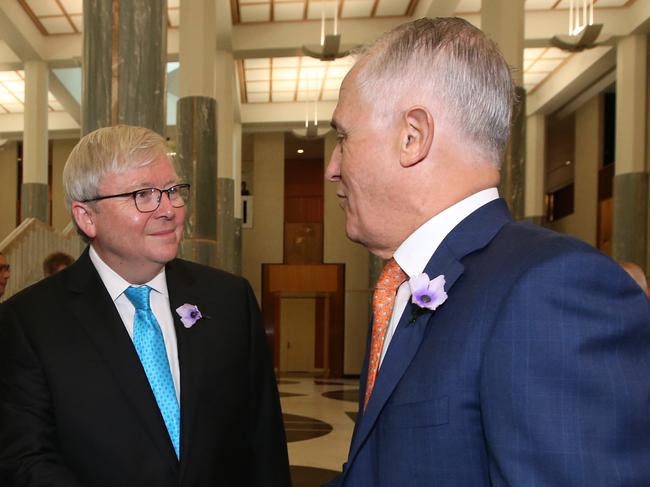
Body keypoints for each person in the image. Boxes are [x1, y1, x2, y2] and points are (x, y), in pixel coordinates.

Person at [324, 18, 650, 487]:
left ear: (412, 137)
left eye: (343, 137)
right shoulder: (407, 284)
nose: (333, 168)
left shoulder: (549, 291)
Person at [0, 125, 290, 486]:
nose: (168, 209)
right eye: (143, 194)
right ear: (87, 217)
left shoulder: (230, 300)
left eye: (172, 191)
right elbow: (26, 460)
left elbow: (264, 443)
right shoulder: (29, 323)